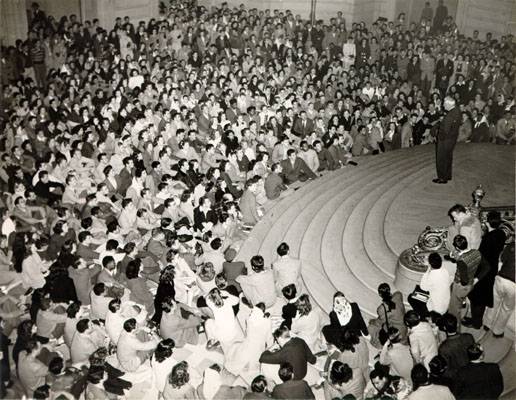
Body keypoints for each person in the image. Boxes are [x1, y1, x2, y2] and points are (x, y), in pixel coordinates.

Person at [464, 211, 506, 329]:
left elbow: (480, 256)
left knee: (477, 299)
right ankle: (475, 319)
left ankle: (476, 322)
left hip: (483, 270)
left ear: (487, 223)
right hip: (491, 269)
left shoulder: (487, 238)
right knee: (482, 297)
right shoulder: (501, 234)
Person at [447, 235, 487, 325]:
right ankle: (463, 304)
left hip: (461, 287)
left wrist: (458, 260)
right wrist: (477, 279)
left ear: (457, 248)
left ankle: (455, 326)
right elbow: (486, 267)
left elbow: (464, 280)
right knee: (460, 300)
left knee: (453, 311)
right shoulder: (476, 252)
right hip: (471, 285)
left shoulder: (462, 260)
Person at [486, 241, 514, 338]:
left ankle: (487, 324)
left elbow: (502, 259)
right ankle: (498, 331)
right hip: (514, 285)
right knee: (507, 309)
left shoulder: (512, 245)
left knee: (494, 302)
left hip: (501, 278)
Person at [368, 283, 407, 348]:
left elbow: (380, 322)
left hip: (396, 332)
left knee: (371, 328)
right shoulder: (398, 295)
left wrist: (373, 322)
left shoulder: (382, 308)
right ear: (389, 290)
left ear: (380, 294)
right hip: (404, 328)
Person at [433, 97, 461, 184]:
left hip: (444, 140)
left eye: (445, 104)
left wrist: (439, 138)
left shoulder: (449, 115)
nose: (443, 105)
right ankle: (447, 176)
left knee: (441, 158)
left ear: (449, 104)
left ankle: (442, 178)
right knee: (448, 158)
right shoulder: (457, 111)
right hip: (452, 139)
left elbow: (445, 130)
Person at [437, 314, 475, 378]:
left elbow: (447, 370)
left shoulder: (443, 348)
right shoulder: (469, 337)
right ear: (457, 325)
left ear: (444, 328)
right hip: (472, 371)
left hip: (458, 377)